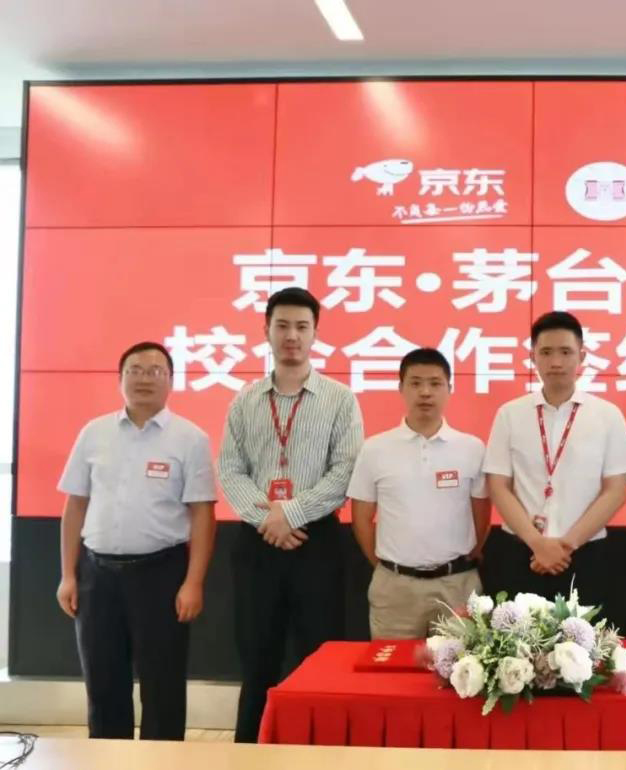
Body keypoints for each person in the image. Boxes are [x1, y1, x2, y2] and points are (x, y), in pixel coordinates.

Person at [218, 287, 363, 742]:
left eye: (302, 326)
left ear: (316, 333)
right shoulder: (245, 401)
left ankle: (317, 753)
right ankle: (249, 754)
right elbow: (230, 468)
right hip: (257, 544)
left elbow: (345, 471)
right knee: (256, 660)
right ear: (266, 331)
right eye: (282, 326)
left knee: (319, 659)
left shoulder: (340, 399)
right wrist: (269, 520)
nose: (292, 336)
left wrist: (293, 514)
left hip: (317, 543)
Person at [56, 341, 216, 740]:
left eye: (155, 371)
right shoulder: (94, 433)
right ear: (120, 379)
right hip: (97, 575)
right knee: (103, 683)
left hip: (161, 574)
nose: (145, 378)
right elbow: (75, 506)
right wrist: (68, 575)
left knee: (163, 685)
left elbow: (202, 514)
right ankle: (108, 761)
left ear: (171, 380)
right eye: (136, 370)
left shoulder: (190, 438)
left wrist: (194, 582)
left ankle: (162, 763)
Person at [483, 311, 626, 607]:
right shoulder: (510, 414)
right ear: (533, 357)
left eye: (566, 352)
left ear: (582, 356)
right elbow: (499, 487)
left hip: (586, 554)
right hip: (522, 552)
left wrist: (565, 546)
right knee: (515, 637)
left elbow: (616, 491)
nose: (556, 362)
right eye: (546, 352)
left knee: (586, 637)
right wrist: (537, 543)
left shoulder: (607, 415)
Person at [348, 348, 490, 638]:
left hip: (457, 585)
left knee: (463, 666)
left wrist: (463, 558)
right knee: (391, 667)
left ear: (449, 388)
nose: (425, 392)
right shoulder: (375, 448)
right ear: (401, 388)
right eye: (415, 383)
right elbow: (361, 519)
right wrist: (390, 568)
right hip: (395, 588)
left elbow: (482, 516)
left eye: (435, 383)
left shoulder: (472, 448)